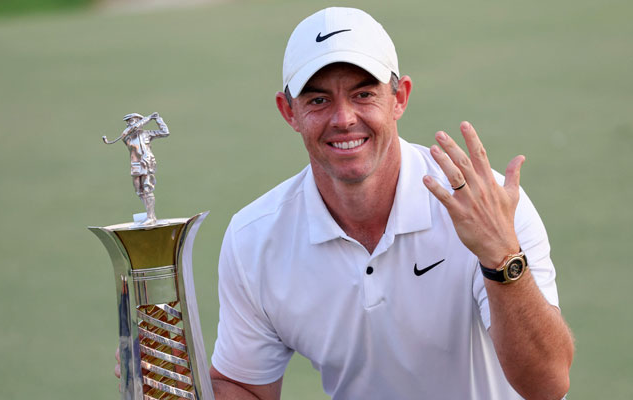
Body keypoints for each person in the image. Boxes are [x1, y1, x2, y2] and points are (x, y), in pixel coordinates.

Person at [116, 7, 574, 399]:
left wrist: (501, 258)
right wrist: (173, 378)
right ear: (288, 112)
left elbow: (547, 384)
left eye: (364, 94)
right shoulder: (256, 237)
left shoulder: (487, 206)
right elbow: (249, 388)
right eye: (318, 99)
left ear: (400, 98)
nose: (343, 119)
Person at [120, 112, 169, 225]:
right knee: (139, 190)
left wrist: (158, 119)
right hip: (135, 165)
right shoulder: (126, 135)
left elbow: (165, 132)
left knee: (147, 189)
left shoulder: (147, 134)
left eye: (131, 120)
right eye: (127, 121)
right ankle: (149, 213)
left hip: (147, 163)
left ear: (138, 120)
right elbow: (134, 128)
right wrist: (149, 118)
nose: (128, 123)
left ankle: (151, 216)